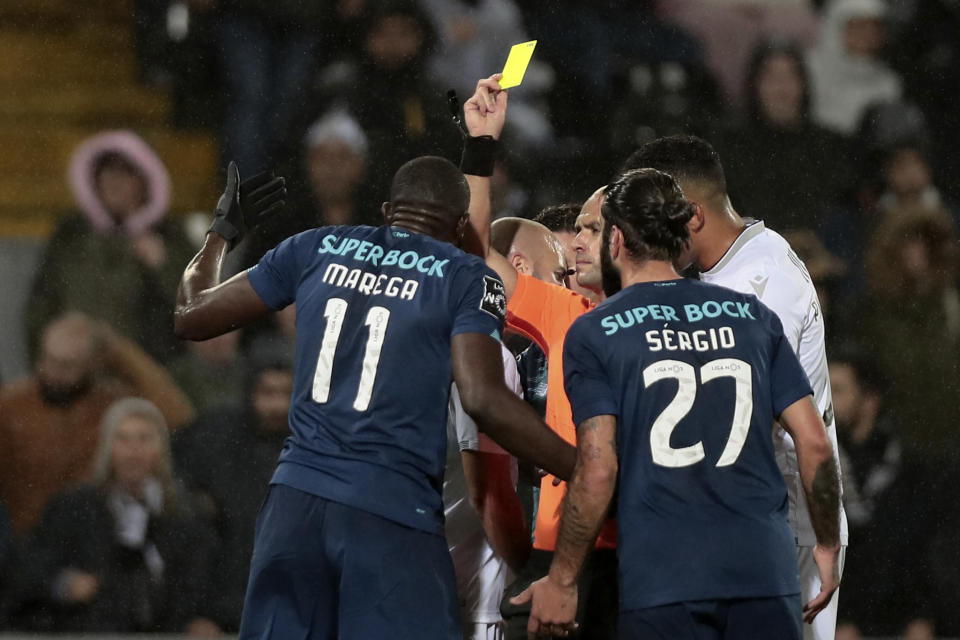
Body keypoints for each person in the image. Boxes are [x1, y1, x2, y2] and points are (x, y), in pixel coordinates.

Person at [173, 156, 576, 639]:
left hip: (294, 506)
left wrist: (221, 232)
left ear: (387, 210)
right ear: (459, 225)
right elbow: (483, 397)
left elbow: (191, 313)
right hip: (390, 510)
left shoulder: (316, 245)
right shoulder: (467, 276)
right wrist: (581, 466)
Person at [514, 168, 842, 639]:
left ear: (618, 240)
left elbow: (598, 468)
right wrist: (826, 542)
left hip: (665, 580)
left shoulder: (596, 331)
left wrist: (563, 579)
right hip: (763, 576)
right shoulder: (753, 318)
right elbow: (814, 444)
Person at [624, 134, 849, 640]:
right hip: (750, 522)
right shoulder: (739, 260)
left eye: (659, 221)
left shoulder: (762, 290)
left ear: (694, 216)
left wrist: (827, 540)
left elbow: (753, 425)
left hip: (790, 529)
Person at [461, 75, 617, 639]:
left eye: (592, 230)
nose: (574, 241)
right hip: (564, 553)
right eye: (575, 229)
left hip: (649, 553)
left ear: (627, 239)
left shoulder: (679, 316)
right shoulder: (563, 310)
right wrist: (481, 145)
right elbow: (477, 251)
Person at [7, 398, 219, 635]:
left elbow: (204, 579)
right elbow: (30, 566)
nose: (133, 451)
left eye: (144, 439)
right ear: (108, 446)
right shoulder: (75, 506)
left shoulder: (184, 513)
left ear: (161, 448)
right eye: (123, 439)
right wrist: (65, 584)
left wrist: (202, 618)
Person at [0, 312, 194, 538]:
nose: (52, 372)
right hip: (30, 541)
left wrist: (118, 350)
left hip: (98, 538)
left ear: (92, 364)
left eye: (67, 365)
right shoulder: (13, 406)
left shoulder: (109, 404)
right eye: (47, 359)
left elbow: (177, 416)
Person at [25, 130, 196, 363]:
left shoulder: (170, 236)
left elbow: (196, 312)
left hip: (142, 371)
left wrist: (163, 266)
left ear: (145, 181)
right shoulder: (71, 234)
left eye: (127, 172)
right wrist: (47, 359)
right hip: (71, 370)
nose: (114, 180)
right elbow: (41, 303)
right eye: (107, 170)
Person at [172, 345, 294, 631]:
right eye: (268, 393)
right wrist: (197, 614)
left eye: (286, 394)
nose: (277, 406)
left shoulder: (313, 442)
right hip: (221, 607)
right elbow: (195, 539)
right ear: (250, 392)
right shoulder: (213, 439)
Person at [445, 344, 530, 640]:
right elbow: (490, 497)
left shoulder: (402, 342)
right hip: (471, 590)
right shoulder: (487, 353)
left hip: (393, 581)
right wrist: (532, 575)